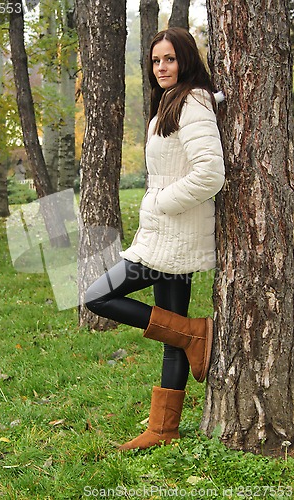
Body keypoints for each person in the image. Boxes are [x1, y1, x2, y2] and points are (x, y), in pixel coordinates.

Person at [85, 27, 225, 451]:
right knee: (173, 331)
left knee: (97, 295)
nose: (162, 67)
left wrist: (160, 201)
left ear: (186, 60)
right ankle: (164, 428)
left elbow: (210, 174)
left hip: (172, 234)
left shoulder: (192, 104)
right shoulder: (172, 101)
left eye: (170, 59)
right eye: (156, 60)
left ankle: (193, 334)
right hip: (165, 234)